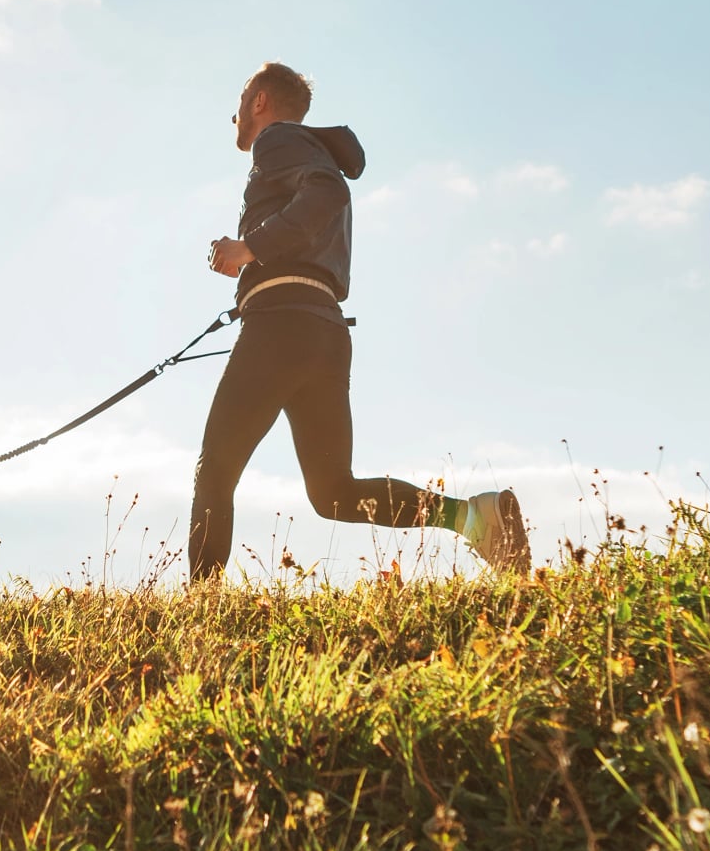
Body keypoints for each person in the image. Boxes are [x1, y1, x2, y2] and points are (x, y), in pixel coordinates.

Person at [189, 63, 531, 582]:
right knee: (333, 492)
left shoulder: (277, 141)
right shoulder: (306, 148)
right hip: (322, 331)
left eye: (240, 99)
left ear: (259, 101)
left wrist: (249, 247)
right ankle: (472, 516)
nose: (233, 113)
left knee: (215, 471)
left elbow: (328, 193)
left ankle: (201, 612)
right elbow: (323, 197)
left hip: (281, 328)